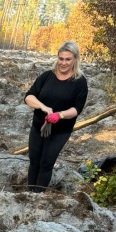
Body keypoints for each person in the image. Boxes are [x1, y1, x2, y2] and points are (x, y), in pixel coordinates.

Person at [24, 41, 88, 192]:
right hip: (39, 126)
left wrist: (60, 115)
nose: (63, 63)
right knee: (34, 161)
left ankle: (37, 196)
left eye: (68, 59)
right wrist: (43, 107)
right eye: (61, 58)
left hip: (60, 131)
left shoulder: (79, 82)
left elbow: (77, 109)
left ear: (75, 59)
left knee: (46, 163)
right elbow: (29, 97)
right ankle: (29, 194)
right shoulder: (47, 76)